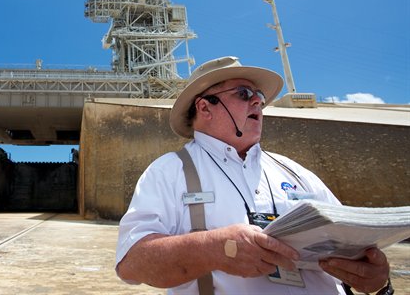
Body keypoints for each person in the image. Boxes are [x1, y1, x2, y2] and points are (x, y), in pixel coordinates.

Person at [115, 56, 393, 295]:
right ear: (205, 107)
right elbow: (132, 263)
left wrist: (374, 274)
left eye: (259, 98)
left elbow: (352, 242)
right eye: (244, 94)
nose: (258, 104)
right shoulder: (168, 171)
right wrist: (215, 248)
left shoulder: (295, 171)